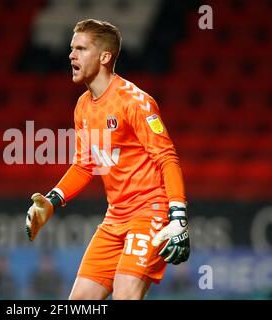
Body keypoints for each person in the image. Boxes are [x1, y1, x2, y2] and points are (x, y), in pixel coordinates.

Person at [25, 19, 190, 300]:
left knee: (126, 296)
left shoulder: (134, 102)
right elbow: (85, 165)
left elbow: (167, 157)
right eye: (71, 48)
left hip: (149, 213)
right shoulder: (82, 107)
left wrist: (178, 216)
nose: (71, 55)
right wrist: (52, 202)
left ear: (104, 56)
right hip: (115, 217)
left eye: (80, 48)